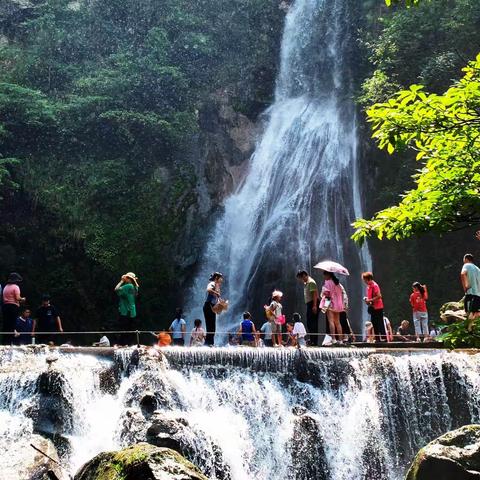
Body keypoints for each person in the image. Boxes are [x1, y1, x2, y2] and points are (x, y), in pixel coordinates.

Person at [114, 272, 139, 345]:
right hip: (132, 312)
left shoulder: (128, 286)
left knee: (123, 329)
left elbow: (116, 289)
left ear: (129, 279)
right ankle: (129, 344)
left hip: (125, 311)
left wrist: (121, 281)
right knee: (130, 330)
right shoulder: (135, 287)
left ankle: (122, 344)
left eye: (126, 278)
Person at [296, 270, 320, 346]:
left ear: (304, 275)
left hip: (313, 303)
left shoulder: (311, 282)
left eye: (300, 278)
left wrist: (315, 305)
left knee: (313, 323)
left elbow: (315, 294)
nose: (300, 280)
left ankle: (314, 341)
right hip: (310, 304)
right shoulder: (306, 283)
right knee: (310, 322)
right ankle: (312, 339)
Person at [320, 271, 344, 344]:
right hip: (338, 305)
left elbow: (327, 294)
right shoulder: (337, 283)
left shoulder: (327, 282)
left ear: (328, 275)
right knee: (338, 322)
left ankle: (333, 339)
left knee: (331, 322)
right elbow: (341, 294)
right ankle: (340, 340)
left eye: (325, 275)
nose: (324, 277)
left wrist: (323, 292)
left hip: (330, 303)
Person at [362, 272, 386, 342]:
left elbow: (379, 296)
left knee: (380, 322)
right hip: (373, 307)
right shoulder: (368, 287)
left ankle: (384, 338)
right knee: (374, 323)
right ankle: (377, 338)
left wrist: (370, 299)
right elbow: (371, 297)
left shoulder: (375, 286)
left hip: (378, 307)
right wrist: (367, 299)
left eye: (365, 280)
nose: (364, 281)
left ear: (368, 279)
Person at [2, 272, 25, 344]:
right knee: (12, 323)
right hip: (13, 307)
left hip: (5, 306)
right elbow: (18, 298)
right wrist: (23, 299)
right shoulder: (15, 287)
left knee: (6, 324)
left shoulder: (5, 287)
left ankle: (5, 342)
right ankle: (11, 340)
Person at [203, 272, 223, 345]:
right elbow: (208, 289)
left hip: (212, 307)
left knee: (212, 327)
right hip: (208, 306)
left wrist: (221, 304)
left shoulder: (217, 286)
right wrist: (216, 293)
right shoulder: (212, 283)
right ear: (216, 278)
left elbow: (216, 300)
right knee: (210, 326)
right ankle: (208, 344)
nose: (222, 279)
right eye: (220, 277)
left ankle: (210, 343)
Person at [461, 254, 480, 330]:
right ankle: (474, 329)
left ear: (466, 259)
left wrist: (466, 285)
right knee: (477, 313)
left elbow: (463, 273)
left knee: (469, 313)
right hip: (478, 295)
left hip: (470, 294)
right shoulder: (478, 269)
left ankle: (469, 331)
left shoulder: (467, 265)